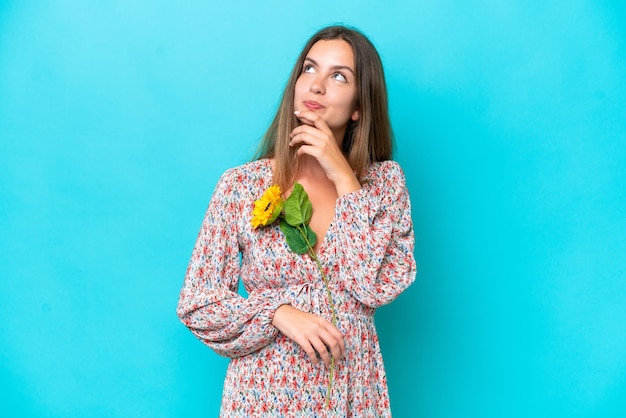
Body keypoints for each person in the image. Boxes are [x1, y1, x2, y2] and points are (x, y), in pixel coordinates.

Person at [177, 25, 417, 417]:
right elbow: (197, 304)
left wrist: (344, 177)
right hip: (263, 395)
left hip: (353, 393)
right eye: (309, 68)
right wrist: (278, 312)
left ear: (359, 105)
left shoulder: (384, 185)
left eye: (339, 76)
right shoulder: (242, 186)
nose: (317, 85)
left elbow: (378, 286)